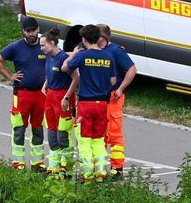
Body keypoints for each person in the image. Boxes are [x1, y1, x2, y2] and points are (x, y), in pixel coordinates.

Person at [0, 16, 46, 170]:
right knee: (19, 128)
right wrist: (10, 77)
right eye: (27, 31)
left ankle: (37, 162)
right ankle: (18, 162)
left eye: (33, 30)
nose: (30, 34)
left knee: (38, 128)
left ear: (38, 29)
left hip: (41, 95)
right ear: (23, 31)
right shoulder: (16, 47)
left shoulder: (44, 45)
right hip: (23, 94)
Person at [63, 24, 116, 181]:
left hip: (86, 103)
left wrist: (74, 54)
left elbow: (65, 67)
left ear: (84, 39)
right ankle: (101, 172)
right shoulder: (108, 56)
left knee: (84, 140)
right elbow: (113, 80)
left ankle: (87, 174)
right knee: (98, 139)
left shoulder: (83, 55)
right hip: (102, 104)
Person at [97, 24, 137, 178]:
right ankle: (100, 167)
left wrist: (120, 89)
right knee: (99, 134)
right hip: (97, 98)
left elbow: (132, 69)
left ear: (102, 37)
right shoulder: (92, 50)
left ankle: (117, 168)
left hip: (113, 97)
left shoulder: (115, 51)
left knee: (114, 133)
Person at [40, 27, 71, 177]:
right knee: (51, 131)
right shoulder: (48, 57)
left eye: (43, 45)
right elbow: (49, 73)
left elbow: (76, 78)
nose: (41, 48)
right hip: (50, 95)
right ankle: (53, 168)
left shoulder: (63, 58)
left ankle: (66, 167)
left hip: (61, 96)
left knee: (62, 134)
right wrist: (46, 83)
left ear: (52, 43)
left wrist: (67, 97)